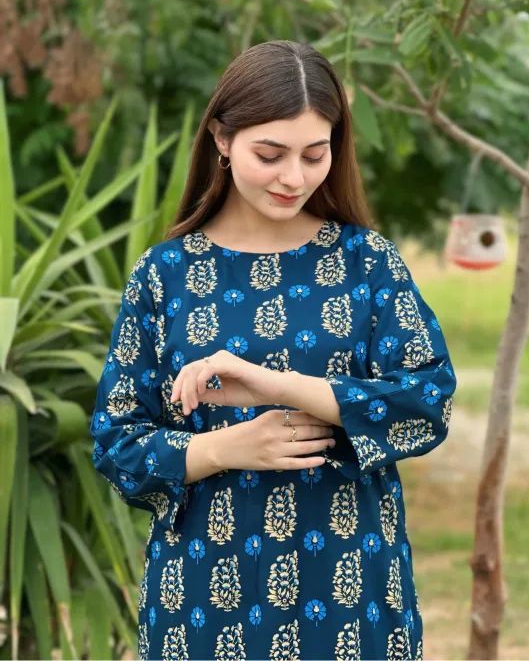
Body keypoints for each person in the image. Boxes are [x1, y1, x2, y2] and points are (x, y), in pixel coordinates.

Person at [90, 39, 457, 661]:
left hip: (349, 587)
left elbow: (428, 400)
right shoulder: (165, 274)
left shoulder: (366, 262)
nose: (295, 178)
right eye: (270, 154)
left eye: (315, 154)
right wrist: (222, 449)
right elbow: (116, 443)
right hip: (202, 595)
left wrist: (275, 385)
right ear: (222, 139)